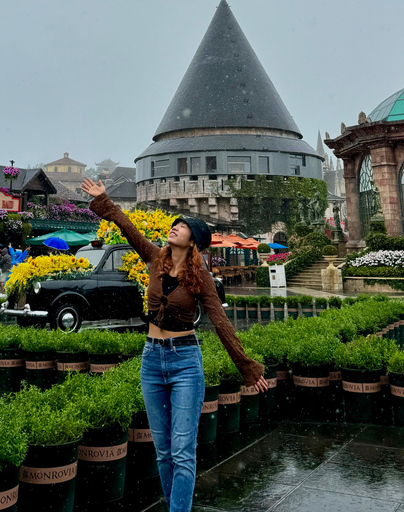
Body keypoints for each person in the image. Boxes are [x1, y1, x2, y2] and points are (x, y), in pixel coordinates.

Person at [82, 178, 267, 512]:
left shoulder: (201, 278)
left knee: (183, 450)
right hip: (152, 360)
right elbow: (128, 228)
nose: (174, 228)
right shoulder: (154, 258)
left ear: (193, 239)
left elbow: (221, 324)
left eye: (182, 226)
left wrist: (247, 367)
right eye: (174, 224)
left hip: (185, 361)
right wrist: (105, 201)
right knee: (164, 450)